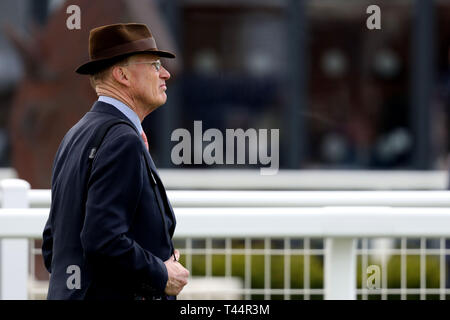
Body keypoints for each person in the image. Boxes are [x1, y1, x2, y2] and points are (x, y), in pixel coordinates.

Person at [41, 23, 189, 300]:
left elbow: (54, 248)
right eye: (155, 64)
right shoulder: (123, 140)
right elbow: (102, 241)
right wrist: (160, 273)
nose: (166, 73)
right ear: (122, 75)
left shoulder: (76, 134)